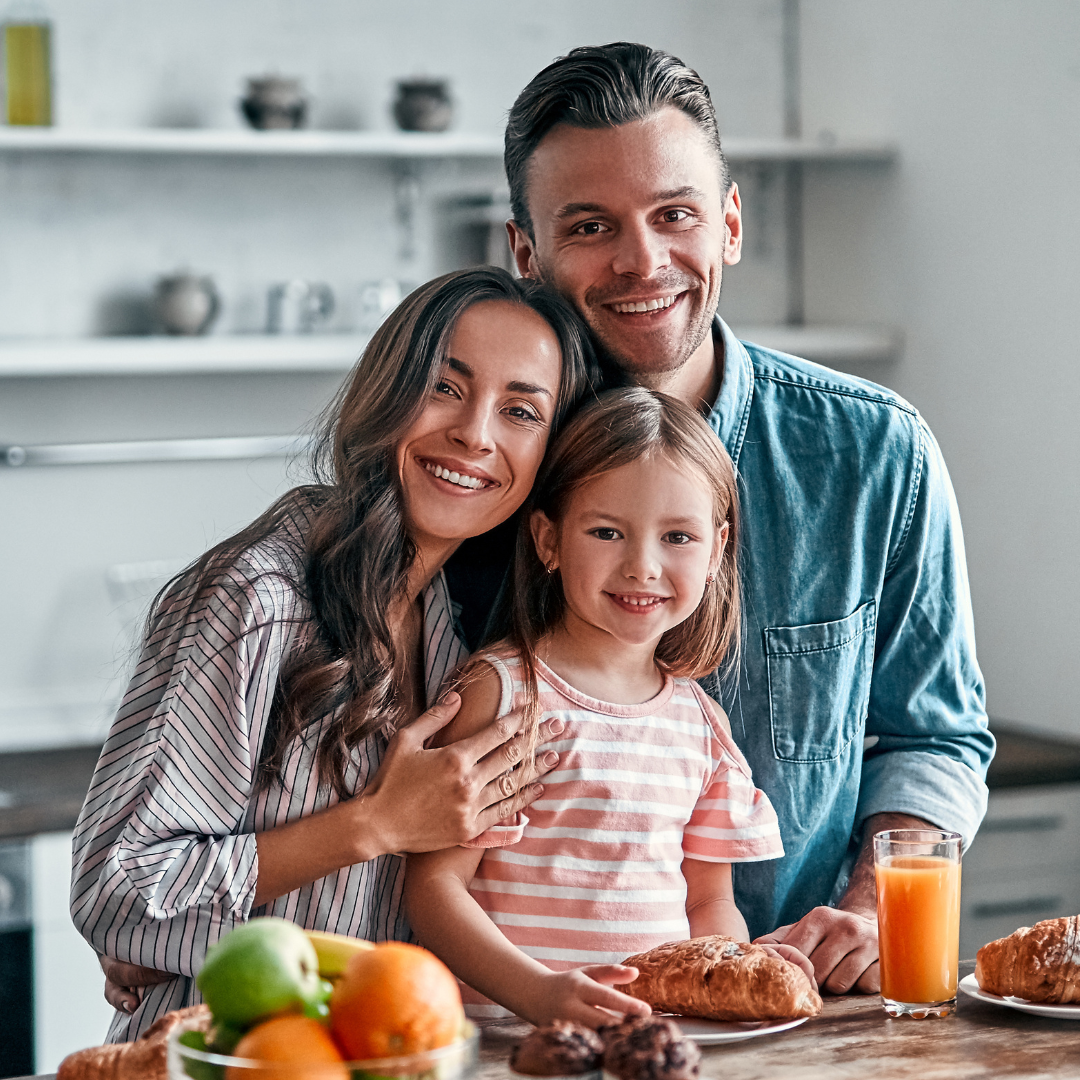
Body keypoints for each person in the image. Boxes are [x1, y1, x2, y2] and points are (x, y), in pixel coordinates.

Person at [455, 41, 992, 995]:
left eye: (676, 215)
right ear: (524, 252)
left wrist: (877, 900)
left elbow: (935, 738)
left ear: (731, 222)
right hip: (521, 1030)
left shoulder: (877, 454)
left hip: (808, 1016)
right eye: (589, 225)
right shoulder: (477, 472)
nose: (641, 260)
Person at [71, 267, 602, 1040]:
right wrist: (375, 824)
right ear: (387, 392)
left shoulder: (450, 621)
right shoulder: (255, 600)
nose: (477, 434)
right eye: (446, 388)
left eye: (521, 411)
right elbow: (118, 892)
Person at [405, 388, 814, 1027]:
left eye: (678, 536)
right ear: (549, 540)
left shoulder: (700, 727)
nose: (642, 566)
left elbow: (709, 904)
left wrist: (738, 963)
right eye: (605, 532)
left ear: (716, 550)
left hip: (651, 1042)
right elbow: (434, 891)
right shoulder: (507, 694)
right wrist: (540, 994)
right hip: (512, 1043)